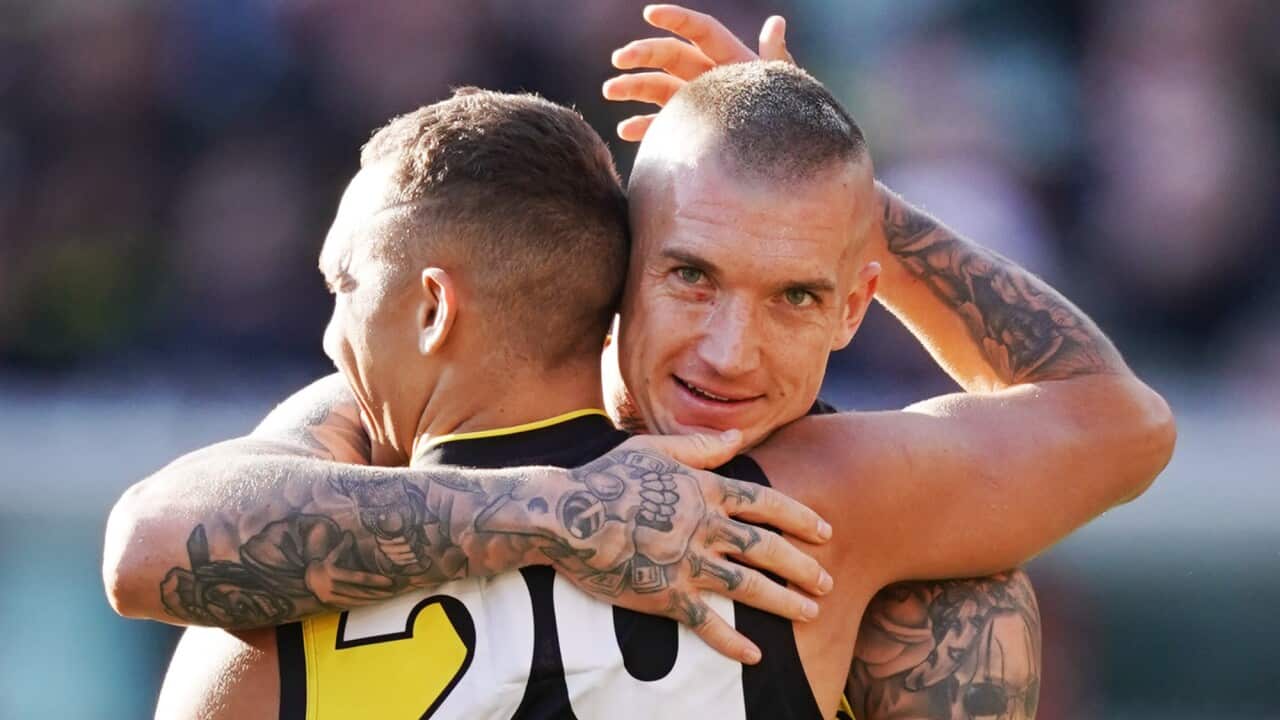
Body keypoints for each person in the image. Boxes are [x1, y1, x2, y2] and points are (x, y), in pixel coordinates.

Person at [104, 16, 1175, 720]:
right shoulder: (826, 515)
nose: (727, 351)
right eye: (692, 276)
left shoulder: (295, 572)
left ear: (853, 299)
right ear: (621, 262)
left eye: (795, 291)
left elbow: (1123, 428)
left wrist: (831, 190)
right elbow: (149, 544)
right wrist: (562, 513)